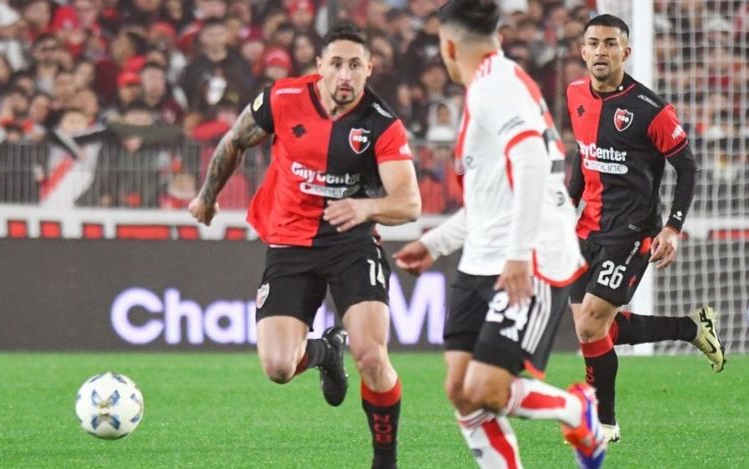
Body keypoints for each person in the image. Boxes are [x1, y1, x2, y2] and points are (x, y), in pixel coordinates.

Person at [189, 22, 421, 469]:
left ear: (369, 69)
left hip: (351, 243)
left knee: (372, 354)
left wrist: (365, 209)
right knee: (278, 367)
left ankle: (385, 461)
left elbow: (409, 202)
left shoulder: (381, 124)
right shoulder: (283, 99)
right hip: (290, 243)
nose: (345, 75)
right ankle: (325, 352)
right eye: (336, 64)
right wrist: (207, 196)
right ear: (320, 67)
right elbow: (236, 140)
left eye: (355, 65)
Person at [393, 2, 606, 468]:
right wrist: (435, 244)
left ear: (448, 46)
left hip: (527, 259)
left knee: (486, 389)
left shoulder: (496, 86)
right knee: (461, 390)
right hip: (481, 258)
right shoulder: (490, 85)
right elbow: (491, 201)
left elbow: (530, 160)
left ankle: (578, 410)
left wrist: (518, 256)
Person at [565, 14, 726, 444]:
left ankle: (604, 423)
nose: (601, 51)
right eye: (593, 43)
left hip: (632, 233)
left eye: (610, 44)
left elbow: (687, 167)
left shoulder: (650, 110)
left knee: (589, 329)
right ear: (582, 50)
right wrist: (563, 209)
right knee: (596, 327)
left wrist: (672, 228)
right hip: (585, 230)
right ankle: (691, 329)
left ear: (626, 52)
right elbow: (582, 158)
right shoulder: (575, 94)